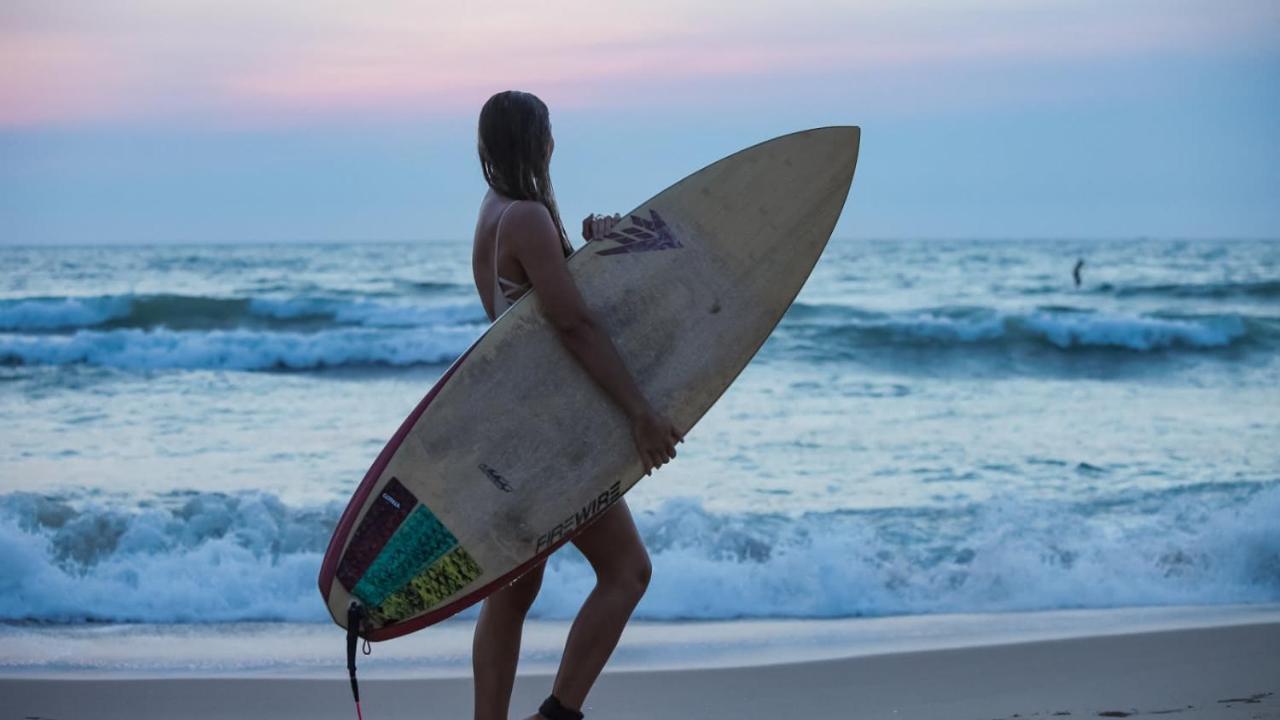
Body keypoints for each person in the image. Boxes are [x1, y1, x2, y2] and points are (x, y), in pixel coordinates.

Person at [469, 90, 682, 720]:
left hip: (511, 425)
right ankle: (557, 715)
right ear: (542, 143)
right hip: (548, 437)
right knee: (628, 572)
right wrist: (641, 413)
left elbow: (530, 318)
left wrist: (596, 251)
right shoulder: (529, 217)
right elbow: (572, 326)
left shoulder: (495, 211)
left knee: (513, 589)